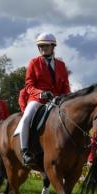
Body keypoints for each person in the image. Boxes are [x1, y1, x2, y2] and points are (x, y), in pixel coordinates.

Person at [14, 33, 70, 168]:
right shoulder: (33, 63)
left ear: (53, 46)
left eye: (45, 46)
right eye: (40, 46)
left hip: (57, 100)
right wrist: (41, 94)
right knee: (26, 118)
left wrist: (67, 98)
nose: (42, 48)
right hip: (38, 100)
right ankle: (25, 151)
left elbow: (66, 86)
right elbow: (29, 85)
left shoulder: (61, 65)